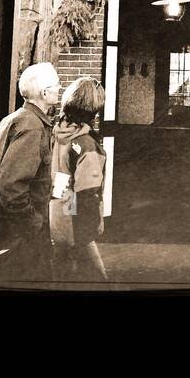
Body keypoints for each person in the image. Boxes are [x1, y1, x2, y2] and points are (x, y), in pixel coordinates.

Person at [0, 61, 61, 282]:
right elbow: (10, 186)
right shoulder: (32, 126)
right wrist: (34, 223)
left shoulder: (15, 119)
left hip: (12, 236)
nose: (59, 87)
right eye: (56, 84)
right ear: (44, 92)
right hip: (23, 240)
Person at [49, 76, 109, 282]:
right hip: (77, 220)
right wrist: (92, 225)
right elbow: (87, 191)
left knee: (61, 274)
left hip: (57, 211)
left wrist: (61, 206)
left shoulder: (60, 132)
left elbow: (62, 179)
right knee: (97, 279)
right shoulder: (85, 143)